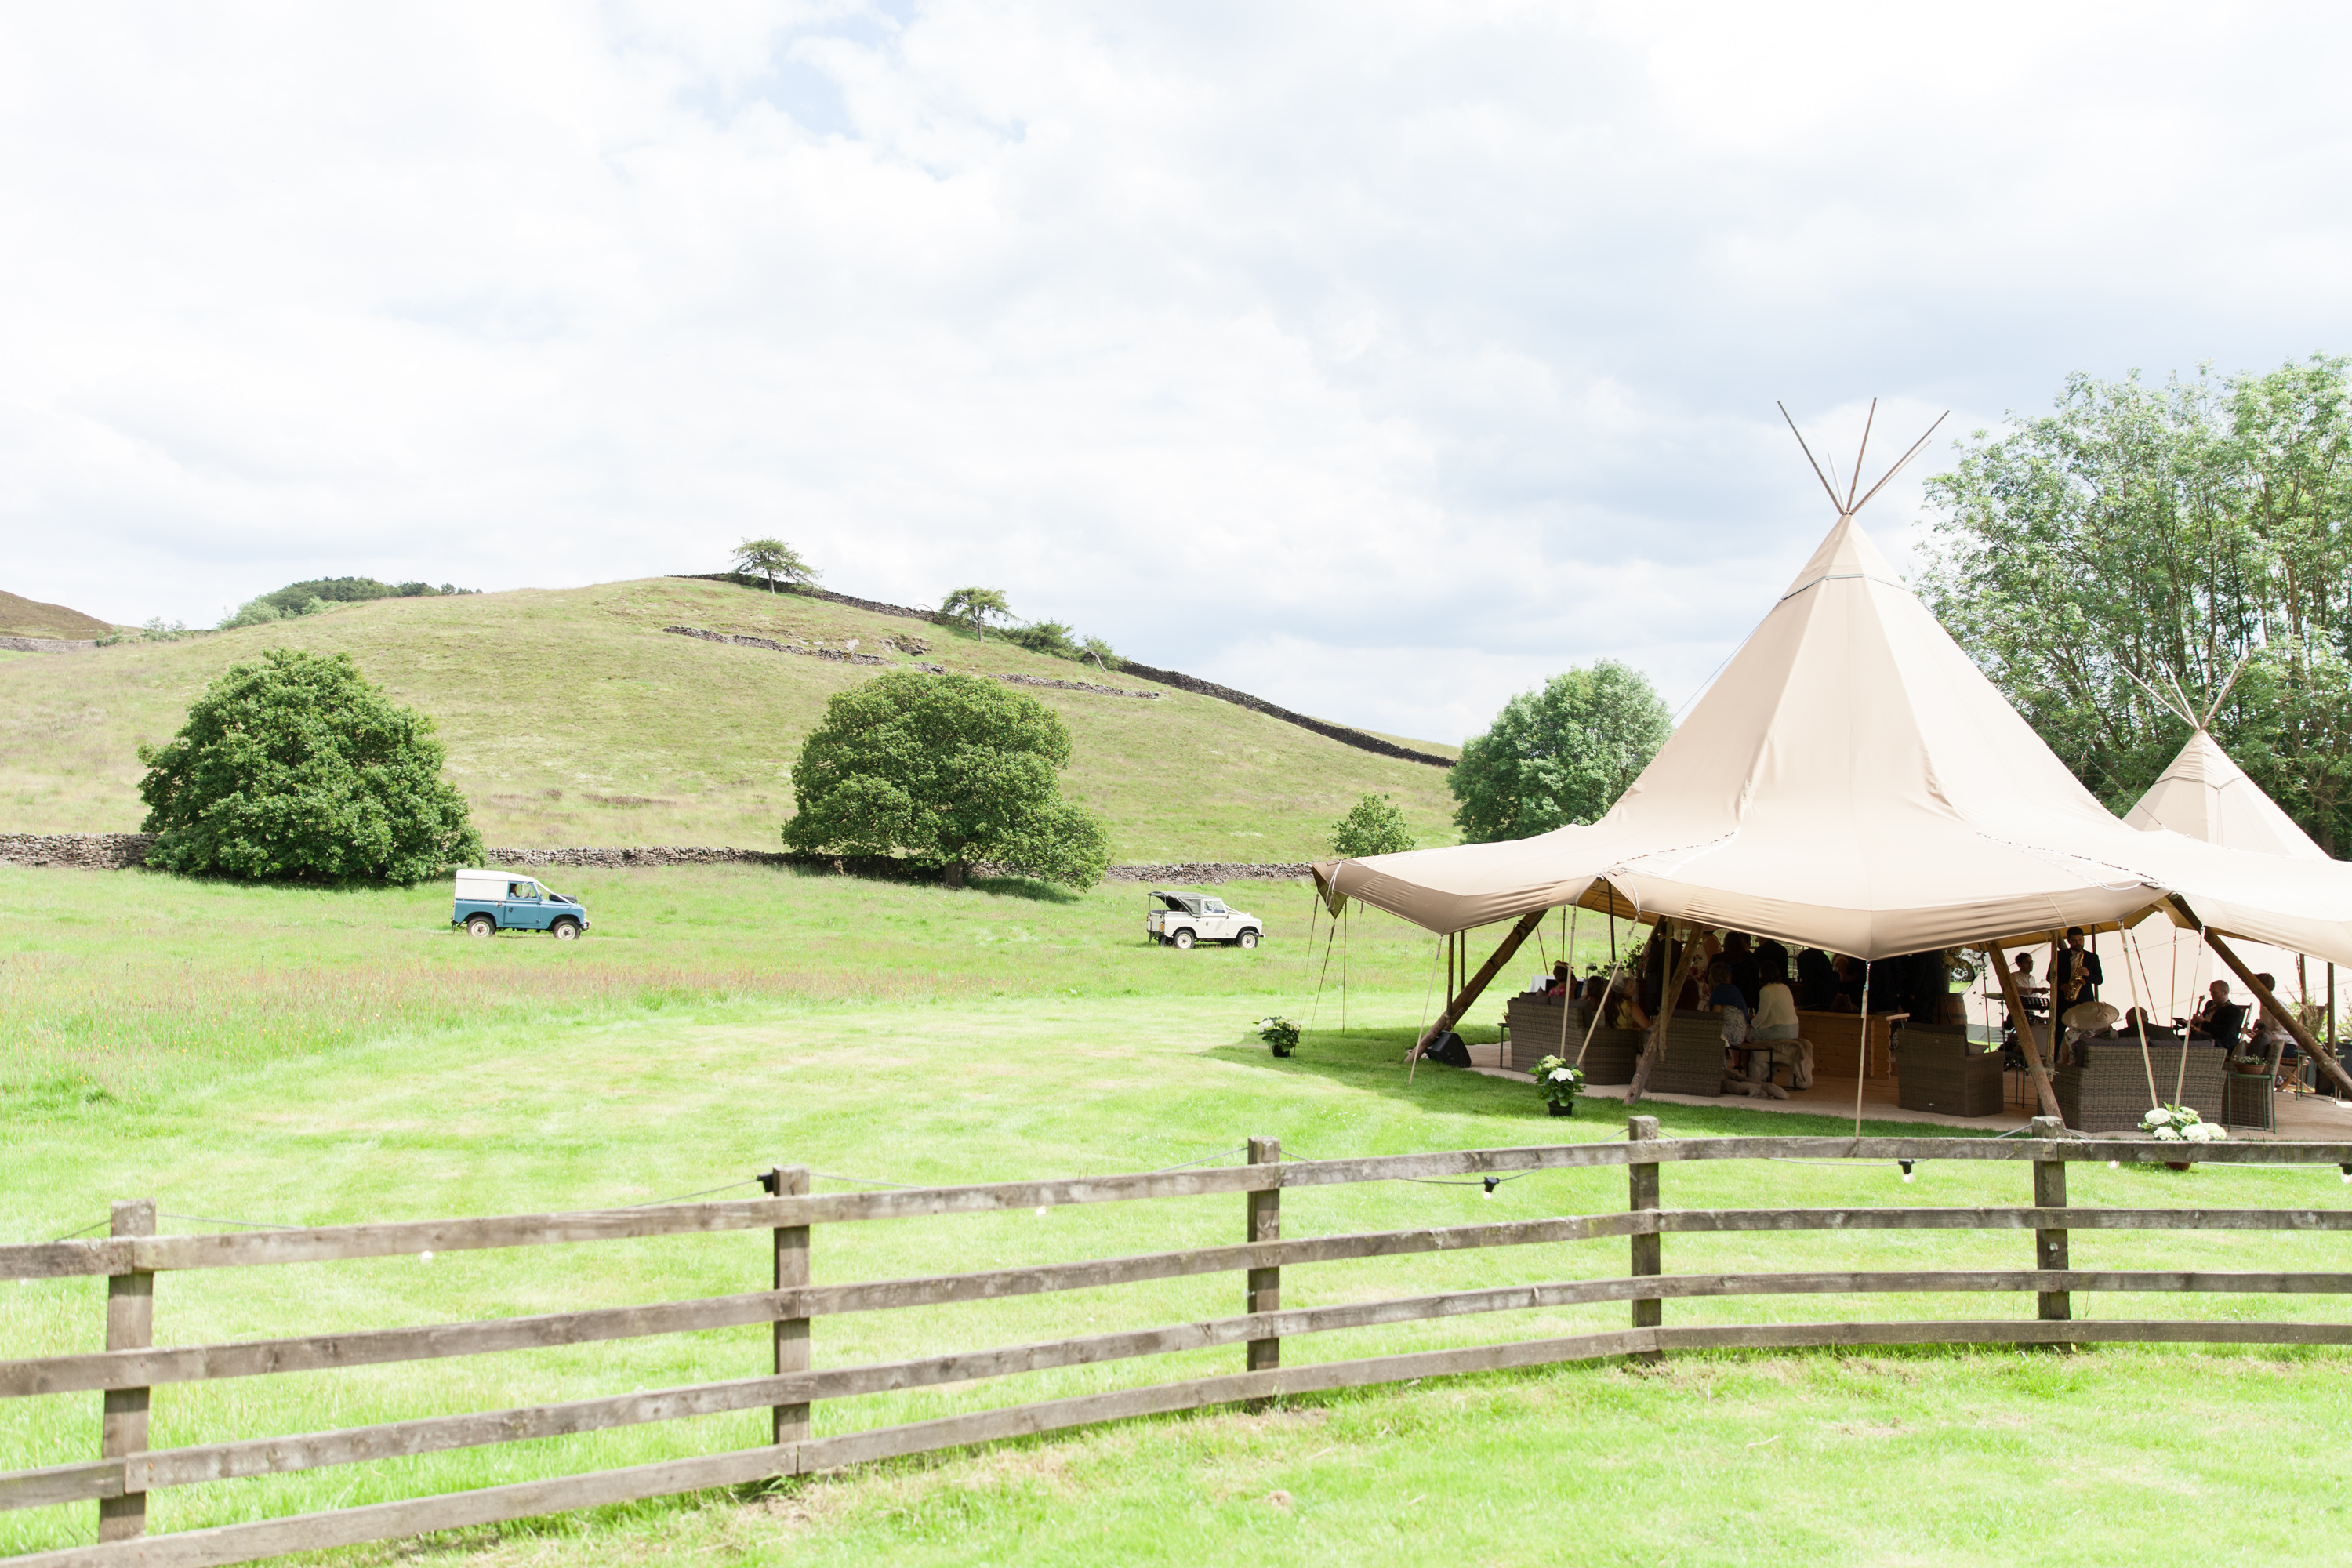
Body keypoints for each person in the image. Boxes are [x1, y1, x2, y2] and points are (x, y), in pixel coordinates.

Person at [1749, 971, 1801, 1084]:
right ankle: (1767, 1073)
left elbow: (1762, 1015)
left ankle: (1756, 1077)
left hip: (1780, 1030)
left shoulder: (1766, 990)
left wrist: (1750, 1025)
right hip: (1794, 1030)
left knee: (1750, 1036)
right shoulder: (1785, 987)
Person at [2050, 927, 2103, 1010]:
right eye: (2075, 941)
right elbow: (2049, 976)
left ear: (2084, 939)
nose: (2078, 943)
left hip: (2085, 1001)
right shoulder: (2059, 956)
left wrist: (2088, 974)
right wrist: (2061, 985)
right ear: (2068, 941)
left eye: (2080, 940)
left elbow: (2099, 980)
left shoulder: (2092, 957)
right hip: (2064, 1001)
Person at [1707, 960, 1750, 1051]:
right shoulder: (1735, 990)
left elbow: (1716, 1016)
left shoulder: (1718, 992)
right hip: (1741, 1034)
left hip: (1727, 1035)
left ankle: (1719, 1064)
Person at [2190, 981, 2245, 1049]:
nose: (2211, 995)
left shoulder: (2233, 1011)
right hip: (2202, 1037)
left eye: (2215, 992)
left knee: (2178, 1044)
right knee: (2175, 1040)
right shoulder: (2210, 1004)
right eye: (2211, 992)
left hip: (2219, 1043)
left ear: (2224, 992)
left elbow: (2225, 1033)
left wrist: (2203, 1022)